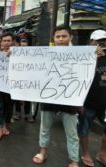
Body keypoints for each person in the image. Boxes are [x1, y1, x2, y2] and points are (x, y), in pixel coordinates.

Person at [32, 26, 80, 167]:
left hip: (70, 98)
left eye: (64, 36)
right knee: (44, 128)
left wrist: (98, 55)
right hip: (49, 97)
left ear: (70, 37)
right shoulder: (45, 53)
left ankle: (74, 160)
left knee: (72, 133)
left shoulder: (81, 55)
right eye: (57, 36)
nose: (60, 39)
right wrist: (13, 55)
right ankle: (43, 152)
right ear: (54, 38)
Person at [78, 29, 106, 167]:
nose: (101, 44)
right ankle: (86, 153)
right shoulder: (82, 57)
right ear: (91, 42)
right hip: (87, 103)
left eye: (104, 42)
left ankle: (102, 153)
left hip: (104, 103)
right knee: (83, 130)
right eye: (98, 42)